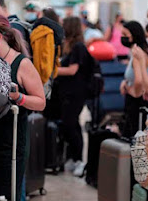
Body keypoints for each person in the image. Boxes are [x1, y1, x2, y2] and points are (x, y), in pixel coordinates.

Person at [0, 12, 45, 201]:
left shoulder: (22, 64)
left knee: (4, 193)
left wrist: (19, 97)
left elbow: (40, 101)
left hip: (10, 142)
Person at [56, 17, 91, 177]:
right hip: (67, 92)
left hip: (76, 93)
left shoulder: (78, 47)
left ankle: (79, 160)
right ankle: (73, 156)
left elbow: (72, 70)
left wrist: (51, 72)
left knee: (71, 125)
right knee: (71, 124)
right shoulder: (68, 46)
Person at [120, 21, 148, 137]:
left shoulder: (137, 54)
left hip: (136, 102)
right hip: (140, 100)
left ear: (134, 35)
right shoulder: (141, 51)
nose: (122, 37)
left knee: (132, 136)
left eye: (125, 34)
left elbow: (139, 80)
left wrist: (132, 91)